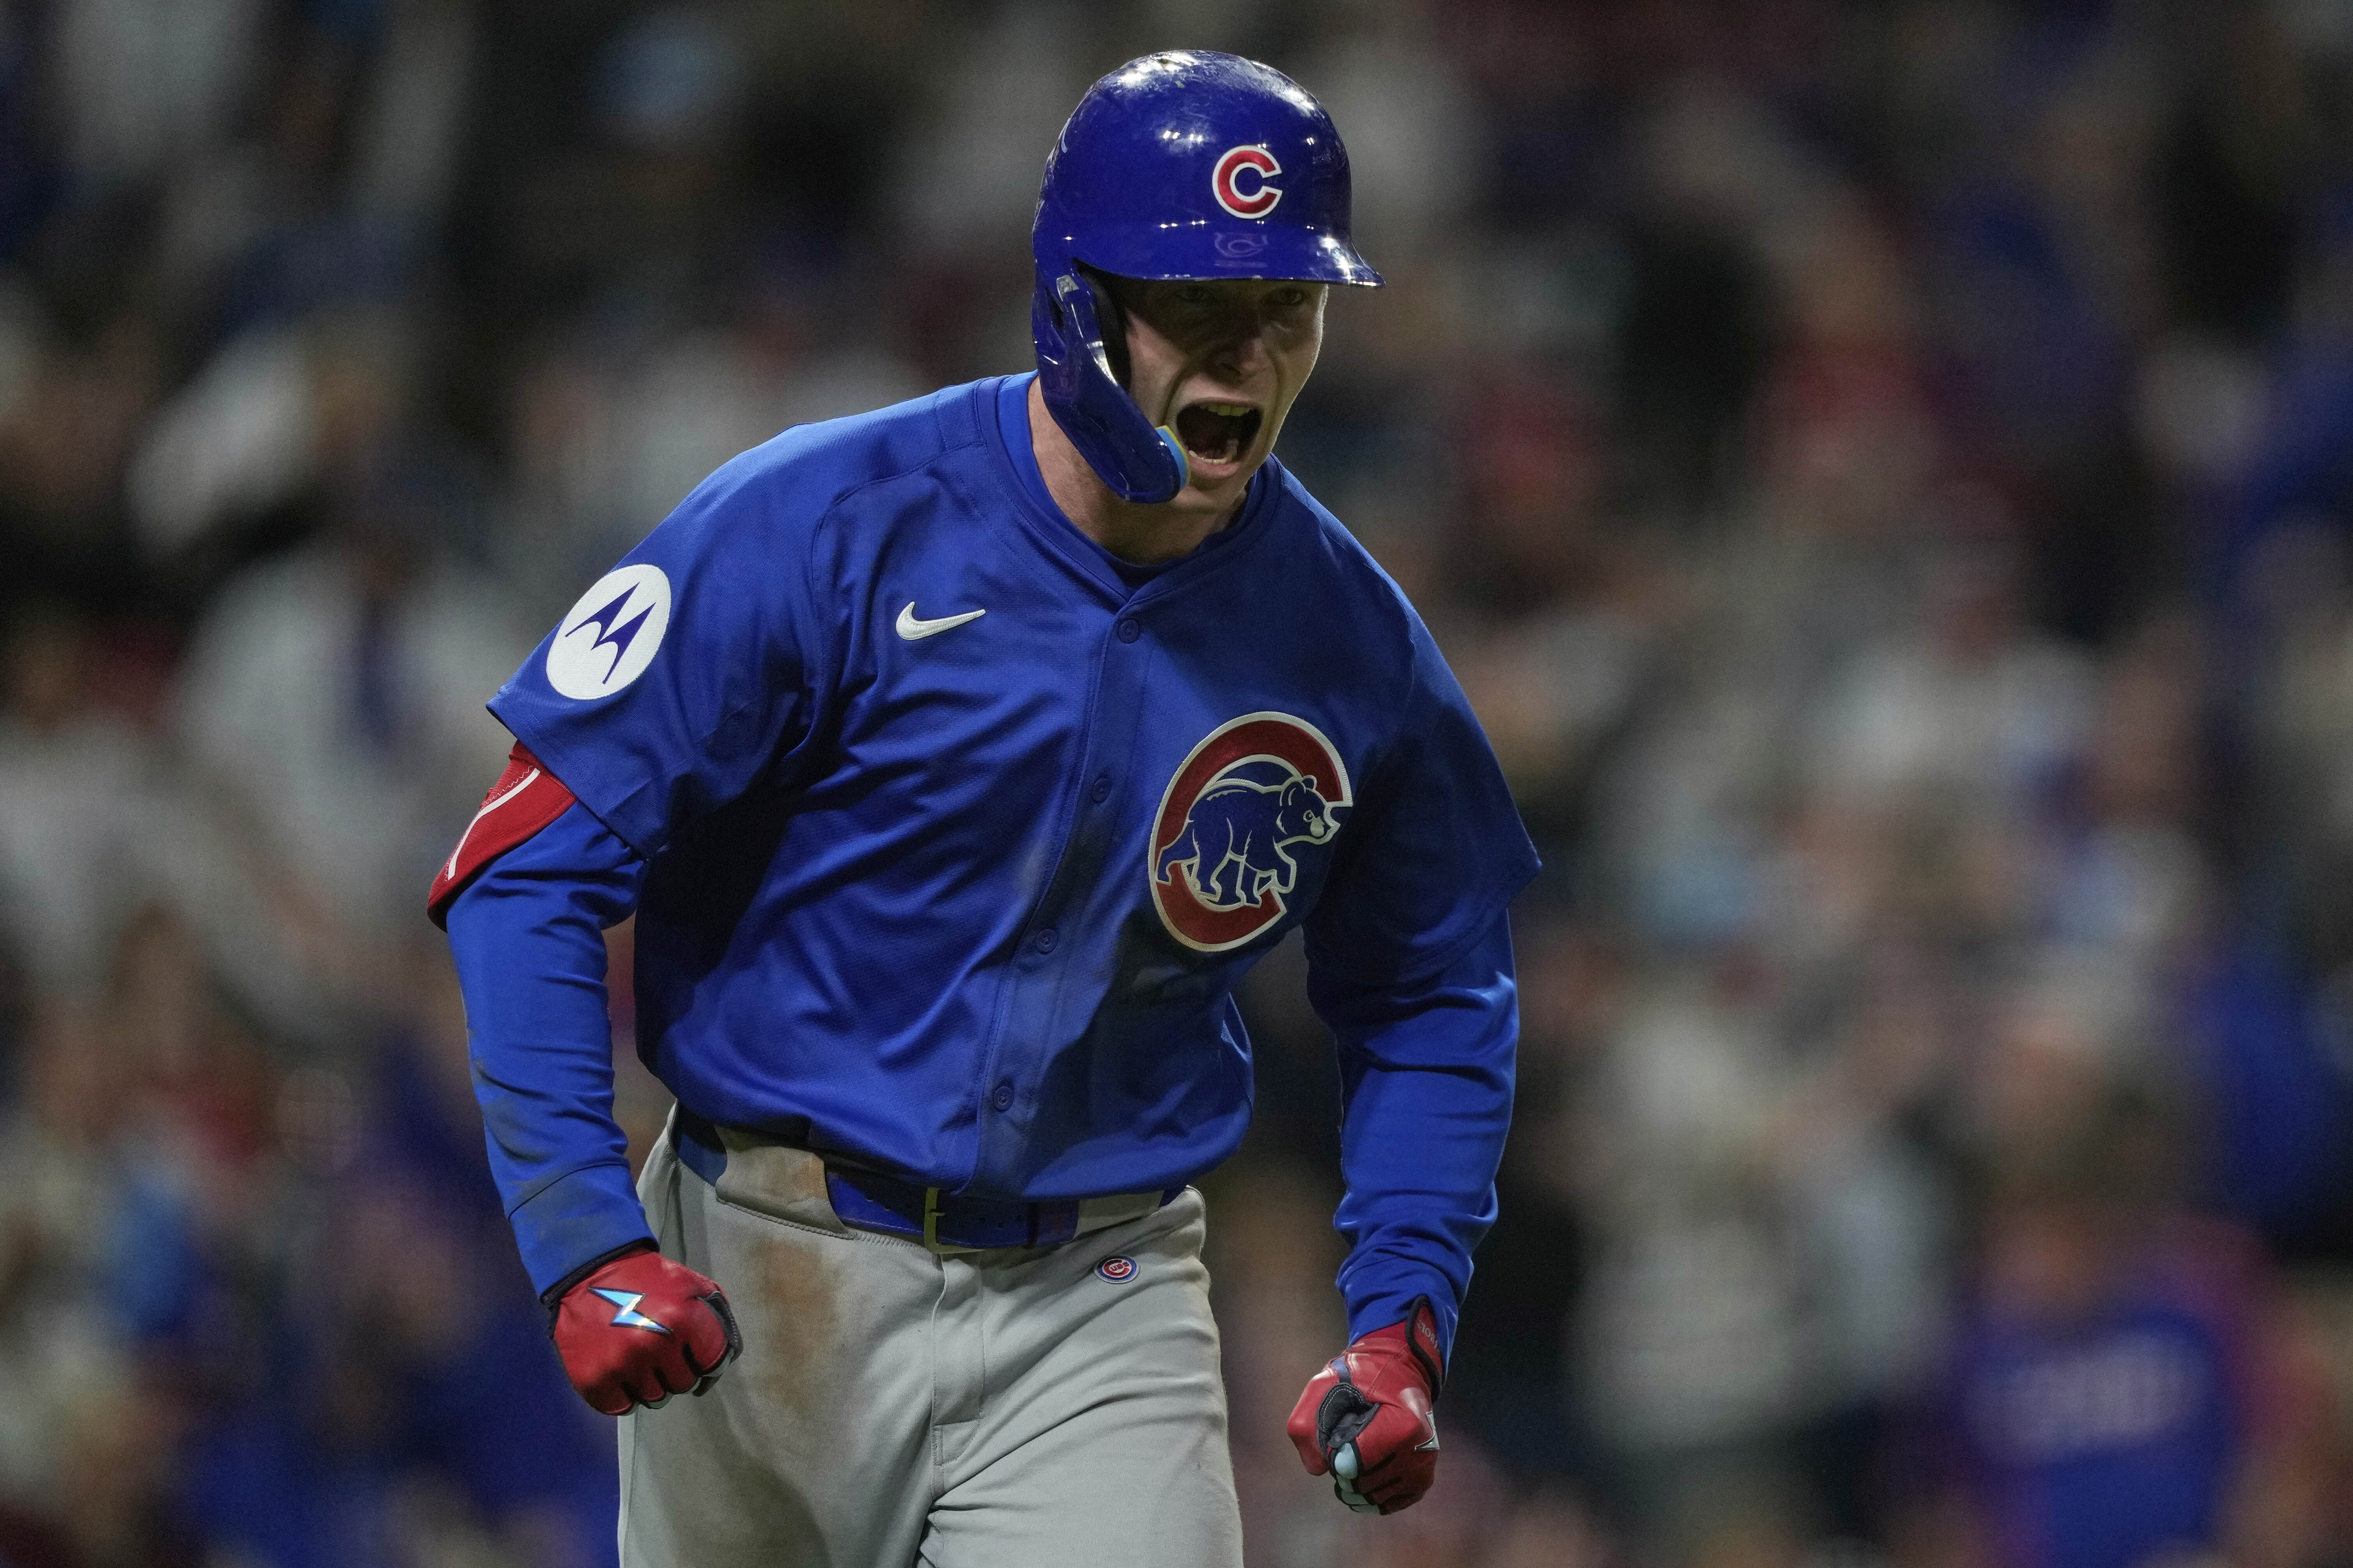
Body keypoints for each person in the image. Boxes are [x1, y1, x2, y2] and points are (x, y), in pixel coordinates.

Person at [432, 50, 1536, 1566]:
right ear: (1080, 306)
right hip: (765, 1263)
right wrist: (580, 1241)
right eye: (1199, 310)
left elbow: (1436, 988)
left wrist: (1401, 1316)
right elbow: (523, 865)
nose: (1250, 360)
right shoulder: (826, 522)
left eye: (1287, 311)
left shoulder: (1346, 638)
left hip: (1100, 1292)